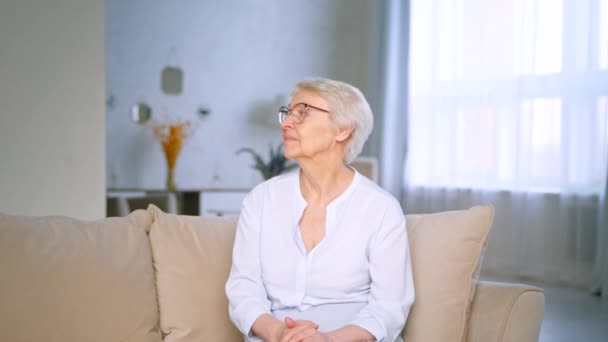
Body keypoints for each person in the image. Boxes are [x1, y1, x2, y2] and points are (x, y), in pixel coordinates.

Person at [225, 78, 414, 342]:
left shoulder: (381, 209)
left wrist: (328, 340)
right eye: (288, 113)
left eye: (302, 113)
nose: (287, 122)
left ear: (343, 130)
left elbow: (389, 308)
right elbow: (243, 289)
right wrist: (278, 332)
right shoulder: (261, 199)